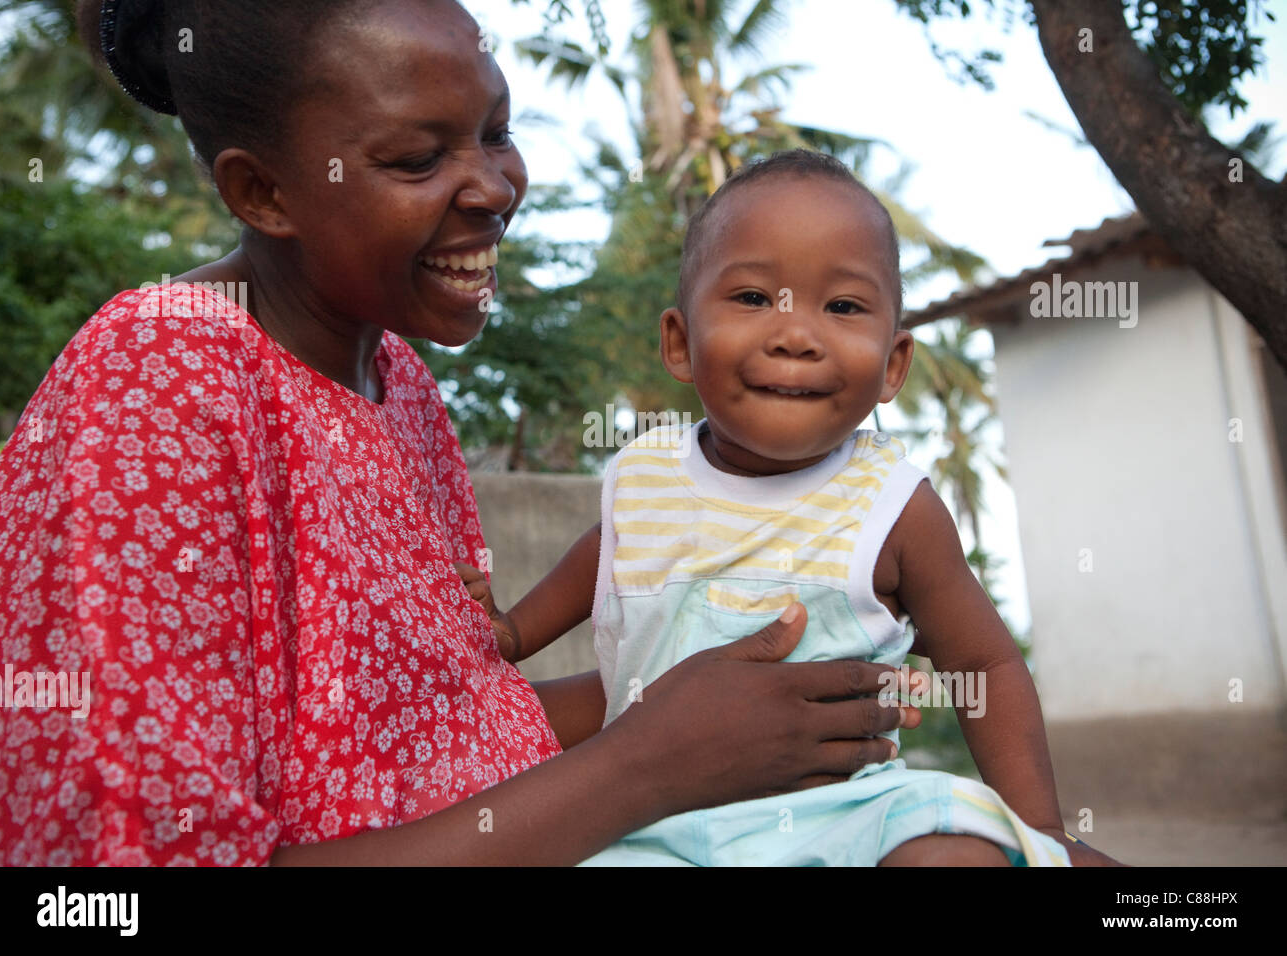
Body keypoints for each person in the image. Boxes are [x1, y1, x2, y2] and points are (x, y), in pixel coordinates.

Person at [0, 0, 935, 867]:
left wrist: (684, 691)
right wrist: (645, 763)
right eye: (416, 160)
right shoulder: (159, 376)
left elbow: (448, 733)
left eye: (496, 134)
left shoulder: (398, 384)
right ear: (263, 193)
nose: (493, 188)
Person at [459, 150, 1121, 865]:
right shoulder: (646, 476)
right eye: (751, 299)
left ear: (893, 364)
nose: (795, 335)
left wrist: (1041, 829)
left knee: (957, 856)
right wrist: (516, 632)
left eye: (841, 307)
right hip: (650, 826)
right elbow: (605, 552)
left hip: (852, 819)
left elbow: (985, 662)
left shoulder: (892, 507)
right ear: (680, 343)